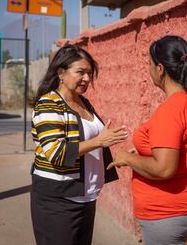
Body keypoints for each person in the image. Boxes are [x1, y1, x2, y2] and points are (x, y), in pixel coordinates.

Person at [110, 35, 187, 245]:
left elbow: (164, 169)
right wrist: (142, 154)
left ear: (160, 69)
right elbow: (181, 150)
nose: (148, 70)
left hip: (167, 213)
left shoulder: (170, 109)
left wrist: (127, 159)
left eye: (149, 65)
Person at [30, 44, 128, 245]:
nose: (86, 78)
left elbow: (93, 142)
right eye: (80, 72)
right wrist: (99, 141)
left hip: (86, 197)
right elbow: (57, 153)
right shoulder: (49, 104)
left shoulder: (83, 102)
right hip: (58, 201)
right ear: (61, 73)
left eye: (89, 73)